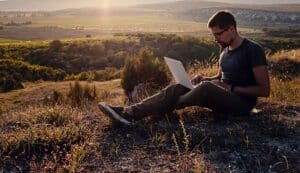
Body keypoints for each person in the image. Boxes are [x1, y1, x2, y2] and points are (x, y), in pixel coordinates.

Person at [99, 11, 270, 125]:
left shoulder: (253, 50)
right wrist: (205, 79)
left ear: (231, 28)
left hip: (241, 104)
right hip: (222, 95)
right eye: (213, 36)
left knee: (201, 89)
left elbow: (264, 90)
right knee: (181, 85)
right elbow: (221, 77)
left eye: (218, 34)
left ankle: (162, 107)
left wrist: (230, 87)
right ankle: (127, 113)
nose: (216, 40)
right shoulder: (224, 48)